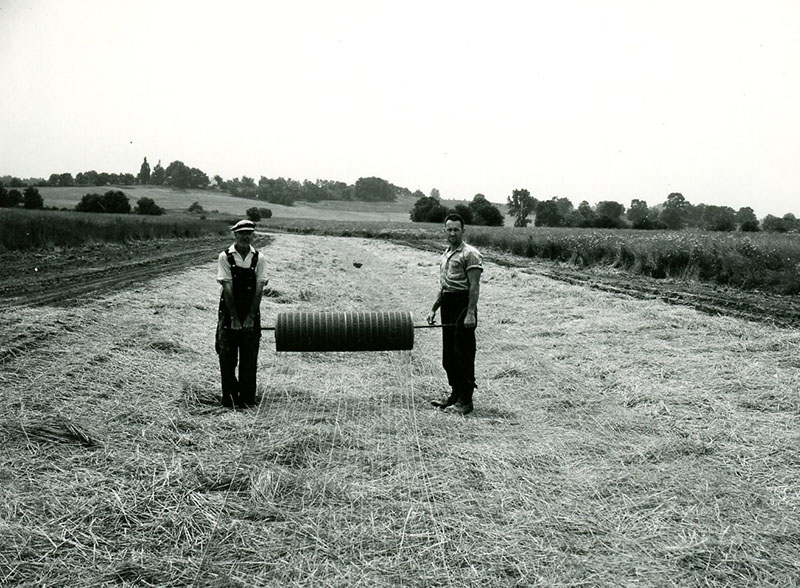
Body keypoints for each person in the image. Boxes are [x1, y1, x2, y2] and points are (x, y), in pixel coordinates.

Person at [426, 213, 483, 415]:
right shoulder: (446, 254)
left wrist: (470, 313)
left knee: (463, 355)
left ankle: (466, 401)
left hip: (463, 305)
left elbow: (474, 286)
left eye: (456, 229)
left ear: (463, 231)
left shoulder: (470, 254)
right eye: (449, 229)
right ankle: (455, 395)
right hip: (448, 305)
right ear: (445, 230)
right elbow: (444, 286)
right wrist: (434, 308)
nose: (452, 233)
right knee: (448, 356)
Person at [215, 219, 268, 408]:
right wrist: (235, 318)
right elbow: (227, 288)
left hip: (251, 310)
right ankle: (229, 399)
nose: (245, 237)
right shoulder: (225, 257)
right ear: (235, 234)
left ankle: (247, 400)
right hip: (229, 311)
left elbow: (259, 289)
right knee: (227, 357)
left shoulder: (259, 258)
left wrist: (251, 317)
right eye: (241, 233)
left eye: (249, 233)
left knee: (249, 357)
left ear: (253, 235)